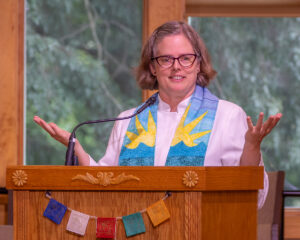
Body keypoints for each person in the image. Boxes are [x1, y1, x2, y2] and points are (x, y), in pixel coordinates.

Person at [34, 21, 282, 208]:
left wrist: (251, 148)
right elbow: (106, 183)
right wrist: (75, 148)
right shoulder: (129, 120)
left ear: (198, 64)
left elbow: (253, 199)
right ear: (152, 67)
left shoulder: (227, 116)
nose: (176, 67)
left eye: (186, 58)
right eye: (166, 59)